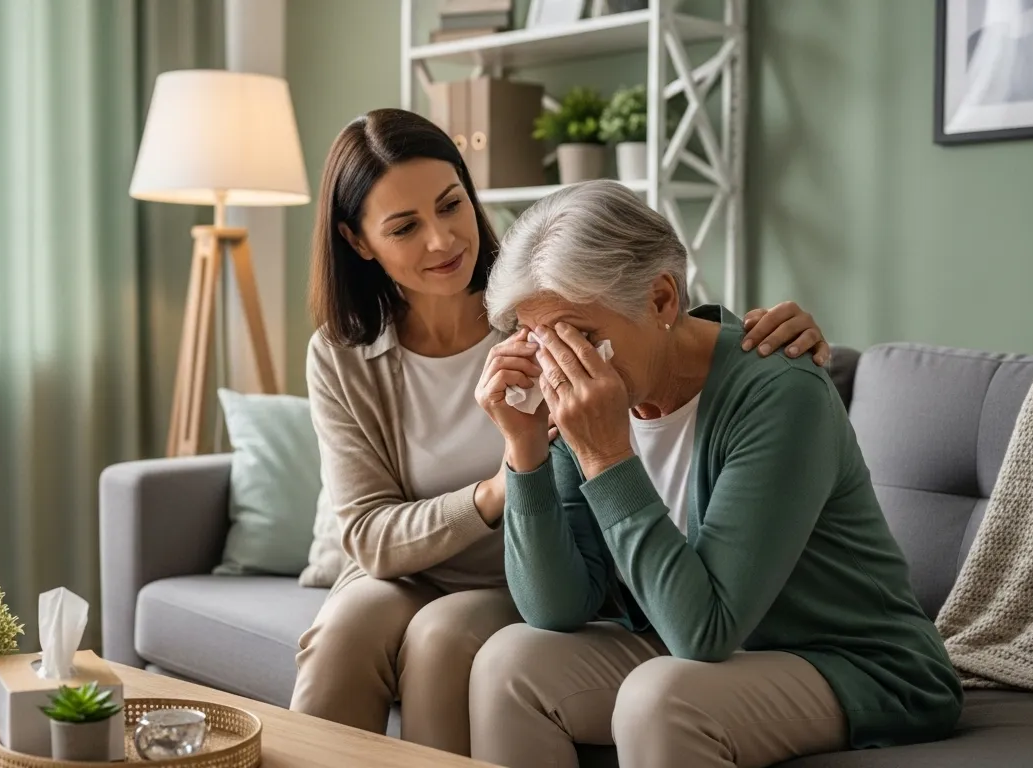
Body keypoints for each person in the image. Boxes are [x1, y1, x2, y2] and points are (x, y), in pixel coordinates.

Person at [292, 108, 834, 757]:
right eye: (405, 226)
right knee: (346, 628)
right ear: (359, 242)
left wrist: (767, 331)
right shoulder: (346, 354)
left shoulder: (541, 306)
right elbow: (366, 535)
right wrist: (499, 488)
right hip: (410, 570)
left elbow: (656, 326)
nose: (442, 242)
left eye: (451, 205)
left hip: (524, 570)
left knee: (443, 636)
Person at [470, 179, 963, 768]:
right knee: (509, 663)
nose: (562, 366)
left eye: (584, 336)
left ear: (660, 300)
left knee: (660, 700)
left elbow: (703, 632)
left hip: (858, 665)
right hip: (704, 650)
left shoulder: (781, 393)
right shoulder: (591, 397)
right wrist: (523, 449)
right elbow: (554, 608)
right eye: (544, 340)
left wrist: (606, 458)